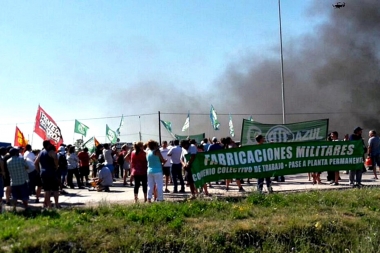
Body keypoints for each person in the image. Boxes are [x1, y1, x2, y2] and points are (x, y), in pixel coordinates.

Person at [35, 141, 60, 208]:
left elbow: (35, 162)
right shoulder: (51, 152)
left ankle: (48, 205)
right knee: (55, 189)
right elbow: (55, 158)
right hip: (51, 172)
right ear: (48, 145)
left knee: (46, 189)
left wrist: (38, 171)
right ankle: (57, 204)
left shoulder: (41, 152)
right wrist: (56, 166)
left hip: (43, 172)